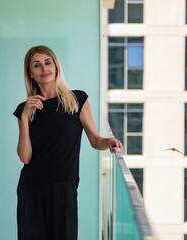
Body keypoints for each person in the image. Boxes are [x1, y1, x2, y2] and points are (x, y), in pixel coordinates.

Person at [13, 45, 123, 240]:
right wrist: (24, 118)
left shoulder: (77, 100)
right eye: (37, 65)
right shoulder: (25, 109)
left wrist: (109, 141)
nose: (44, 69)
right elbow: (25, 157)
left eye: (48, 63)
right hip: (31, 189)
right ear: (30, 73)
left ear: (56, 67)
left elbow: (95, 139)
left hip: (65, 188)